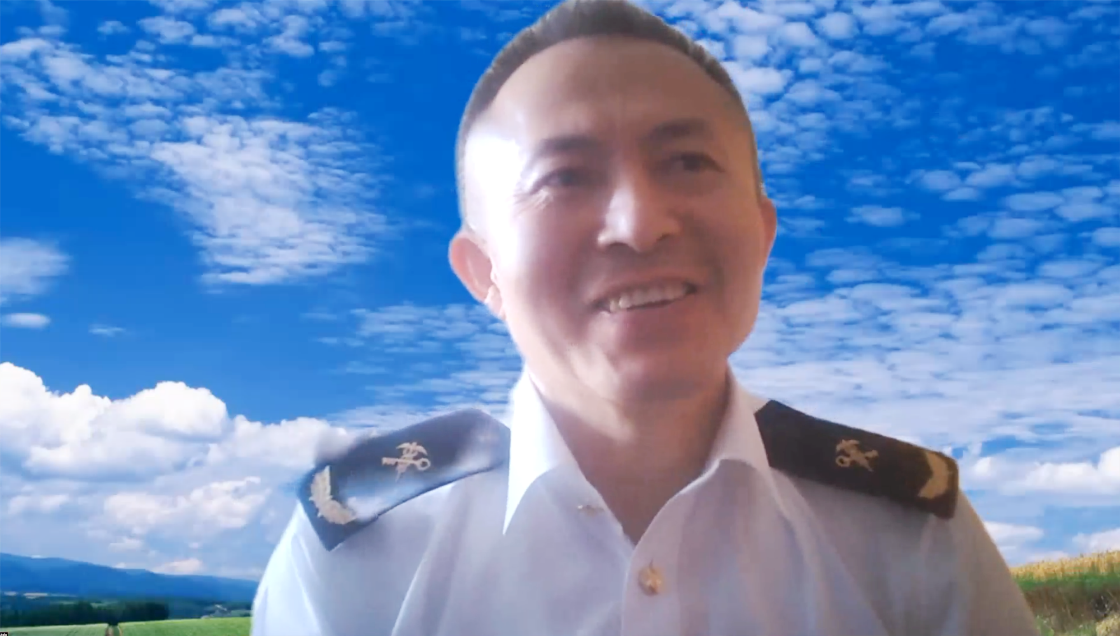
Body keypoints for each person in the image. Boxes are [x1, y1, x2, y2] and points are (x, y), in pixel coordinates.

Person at [250, 1, 1041, 634]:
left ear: (763, 232)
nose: (639, 224)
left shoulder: (908, 539)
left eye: (688, 162)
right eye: (564, 177)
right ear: (483, 272)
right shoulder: (367, 553)